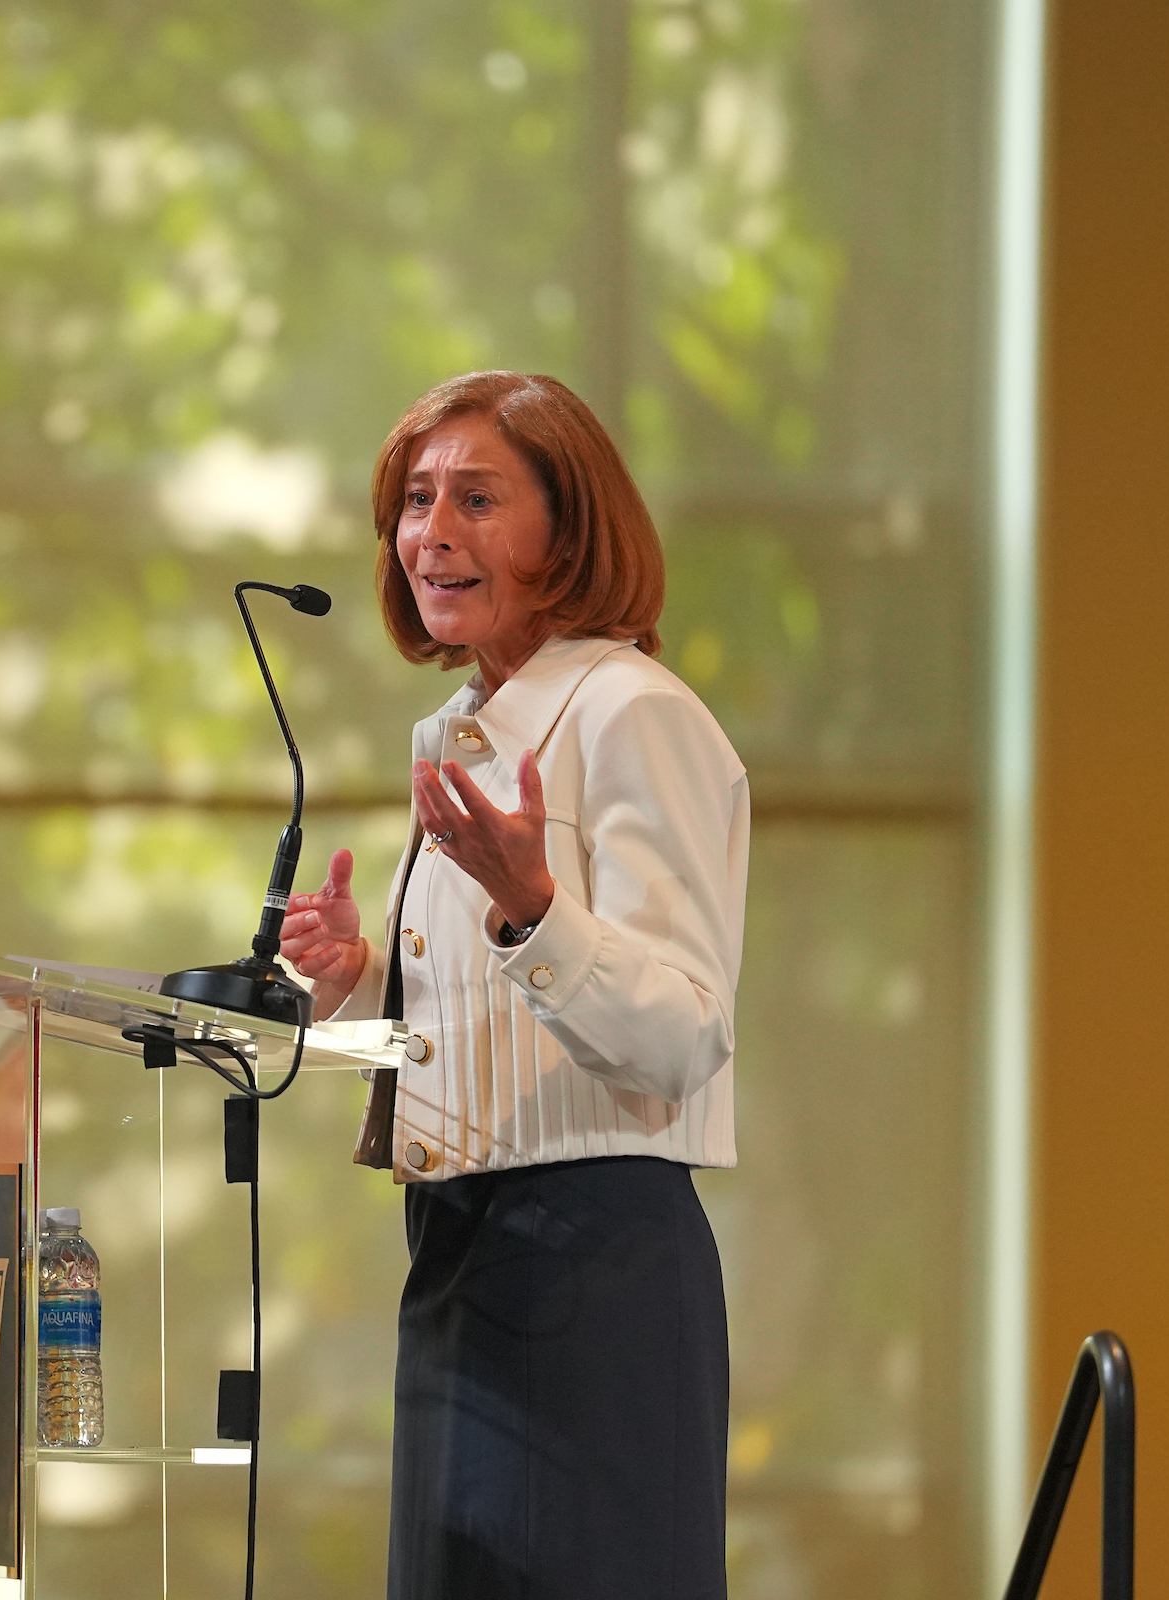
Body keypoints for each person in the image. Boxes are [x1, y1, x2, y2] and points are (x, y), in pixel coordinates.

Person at [279, 371, 747, 1599]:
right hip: (457, 1258)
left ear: (570, 526)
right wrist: (362, 979)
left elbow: (683, 1030)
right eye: (415, 499)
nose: (431, 532)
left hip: (590, 1267)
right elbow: (505, 1021)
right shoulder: (465, 732)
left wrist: (533, 909)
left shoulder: (633, 712)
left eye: (476, 498)